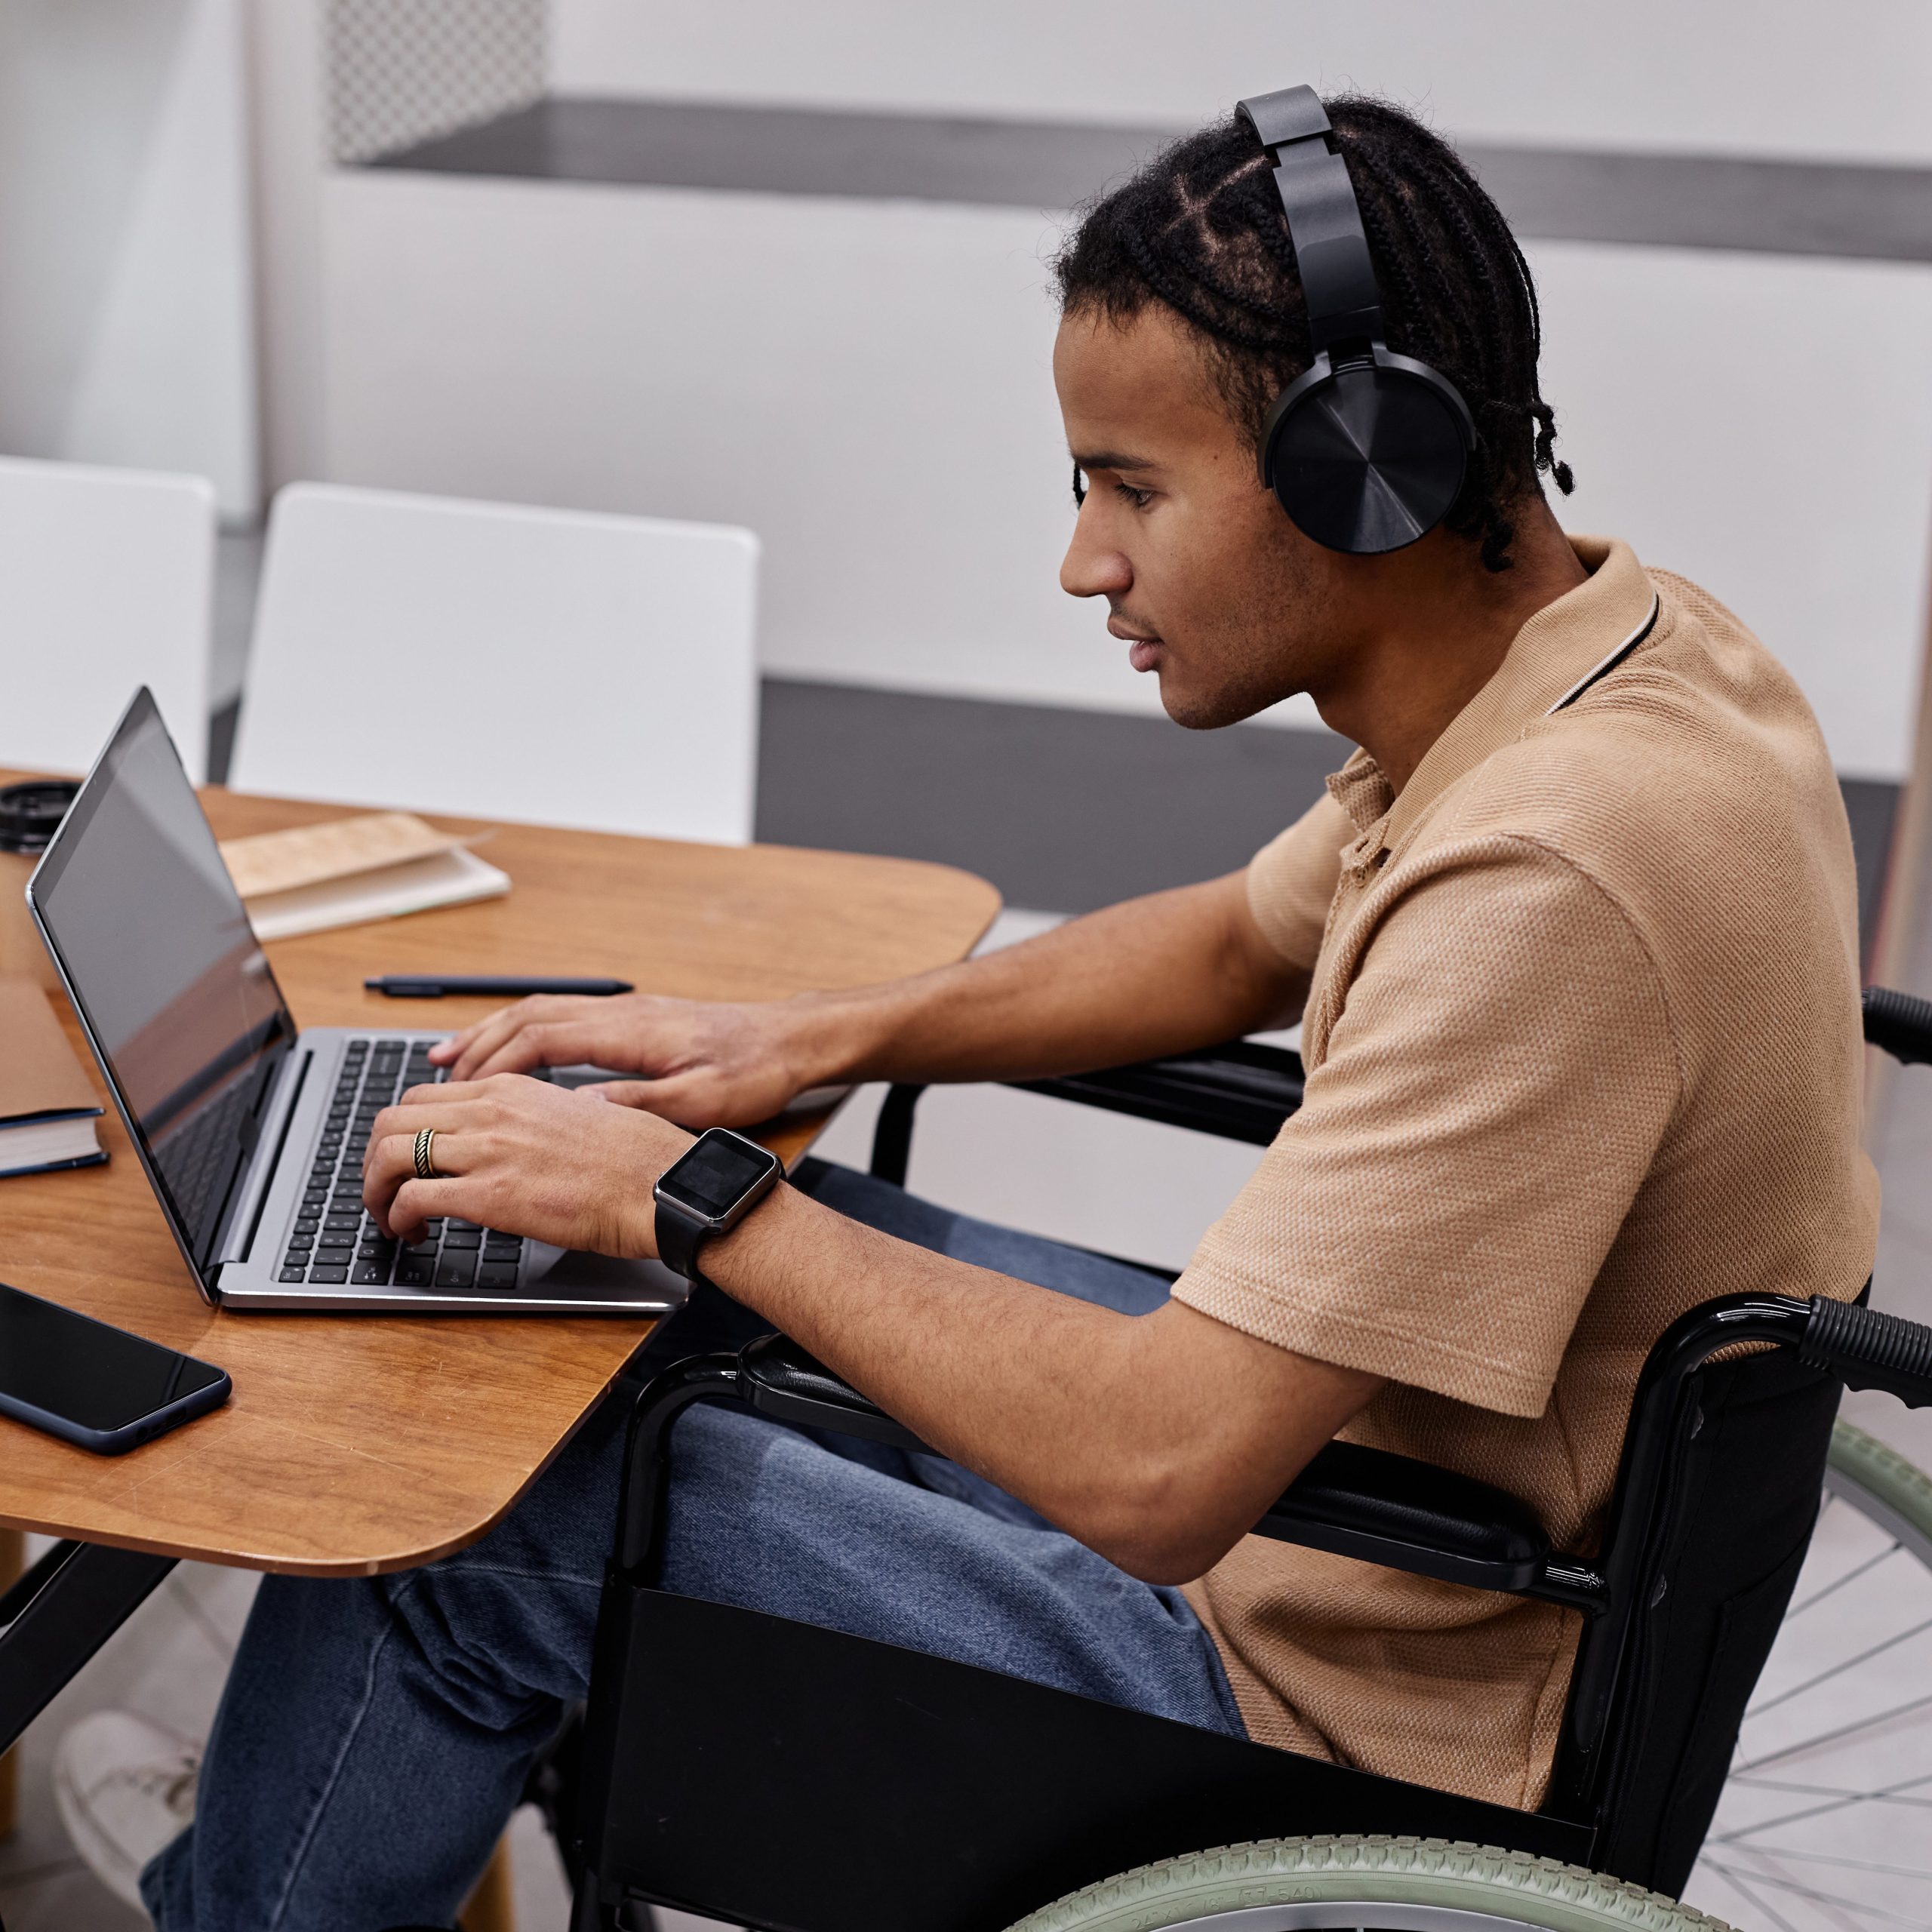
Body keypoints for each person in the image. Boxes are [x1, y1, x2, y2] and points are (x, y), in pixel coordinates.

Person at [60, 91, 1875, 1931]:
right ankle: (338, 1806)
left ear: (1364, 474)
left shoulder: (1548, 876)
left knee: (490, 1494)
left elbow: (1159, 1473)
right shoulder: (1616, 668)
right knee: (630, 1291)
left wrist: (682, 1188)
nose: (1085, 562)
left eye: (1130, 486)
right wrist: (804, 1042)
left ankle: (243, 1883)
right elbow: (1233, 942)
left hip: (1317, 1691)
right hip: (1364, 1515)